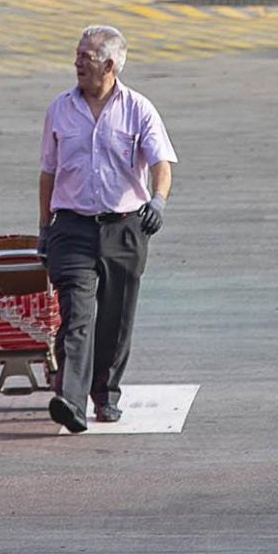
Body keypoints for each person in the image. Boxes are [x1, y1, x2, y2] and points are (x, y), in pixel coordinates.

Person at [37, 24, 176, 432]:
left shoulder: (139, 109)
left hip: (125, 228)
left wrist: (159, 200)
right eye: (77, 55)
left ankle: (106, 394)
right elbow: (47, 172)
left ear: (110, 65)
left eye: (87, 57)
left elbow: (160, 165)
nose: (77, 63)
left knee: (115, 318)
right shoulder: (59, 109)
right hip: (71, 228)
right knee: (76, 317)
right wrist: (44, 228)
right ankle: (71, 401)